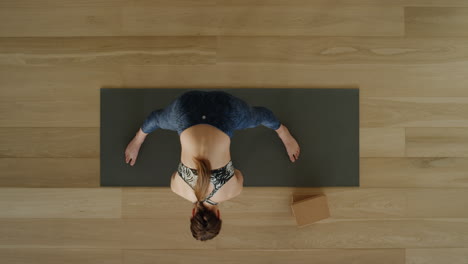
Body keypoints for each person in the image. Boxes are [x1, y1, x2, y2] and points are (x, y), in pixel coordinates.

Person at [124, 90, 300, 241]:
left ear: (219, 215)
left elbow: (237, 173)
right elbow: (178, 174)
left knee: (260, 115)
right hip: (186, 107)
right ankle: (138, 140)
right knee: (157, 119)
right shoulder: (178, 189)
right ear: (192, 215)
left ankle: (284, 134)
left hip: (224, 109)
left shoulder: (232, 191)